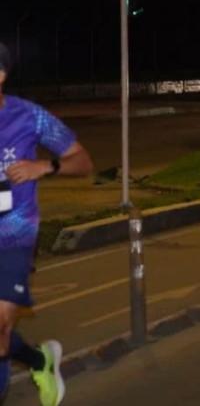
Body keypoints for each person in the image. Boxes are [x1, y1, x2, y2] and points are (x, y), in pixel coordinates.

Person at [0, 42, 93, 406]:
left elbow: (82, 160)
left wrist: (44, 167)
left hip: (14, 236)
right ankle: (40, 360)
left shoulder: (29, 117)